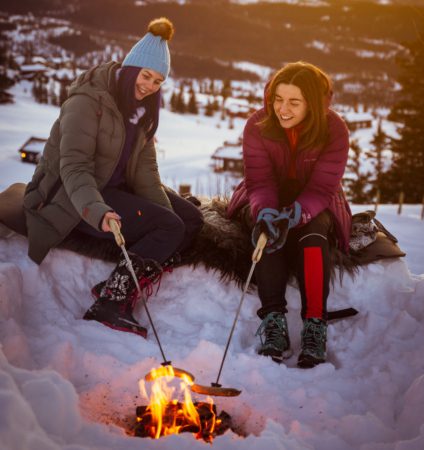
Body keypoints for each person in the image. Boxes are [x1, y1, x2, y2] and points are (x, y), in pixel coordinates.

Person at [23, 18, 204, 338]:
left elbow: (147, 173)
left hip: (113, 188)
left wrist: (167, 217)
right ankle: (112, 300)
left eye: (158, 81)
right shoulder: (87, 102)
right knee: (170, 226)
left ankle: (127, 276)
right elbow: (74, 168)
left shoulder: (142, 111)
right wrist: (97, 210)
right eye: (146, 76)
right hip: (71, 196)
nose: (149, 86)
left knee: (188, 219)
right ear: (130, 68)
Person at [227, 61, 352, 368]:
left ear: (312, 103)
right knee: (267, 233)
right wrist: (268, 213)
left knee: (312, 236)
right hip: (266, 195)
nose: (282, 109)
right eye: (278, 100)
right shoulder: (258, 125)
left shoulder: (334, 129)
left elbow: (323, 187)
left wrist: (297, 214)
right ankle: (274, 322)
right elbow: (260, 180)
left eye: (294, 102)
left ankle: (314, 325)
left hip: (316, 199)